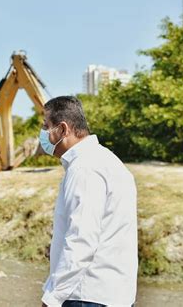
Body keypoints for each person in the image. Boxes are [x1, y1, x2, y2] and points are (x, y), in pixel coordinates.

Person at [39, 96, 137, 307]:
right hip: (112, 295)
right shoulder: (107, 160)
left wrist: (53, 297)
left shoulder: (84, 168)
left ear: (63, 129)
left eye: (46, 126)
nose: (42, 134)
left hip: (87, 295)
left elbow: (82, 240)